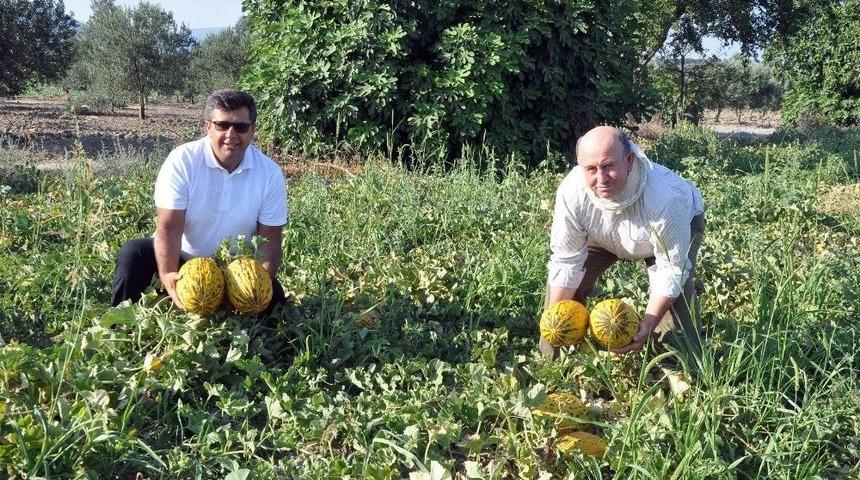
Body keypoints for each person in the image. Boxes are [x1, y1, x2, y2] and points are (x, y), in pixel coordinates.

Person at [111, 90, 288, 314]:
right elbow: (169, 228)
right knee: (133, 253)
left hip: (235, 270)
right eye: (222, 125)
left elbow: (270, 241)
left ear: (253, 130)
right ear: (207, 127)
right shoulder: (182, 161)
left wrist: (256, 285)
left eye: (241, 127)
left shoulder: (270, 173)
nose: (231, 134)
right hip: (183, 261)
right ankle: (119, 327)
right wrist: (167, 275)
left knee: (274, 304)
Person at [542, 126, 706, 361]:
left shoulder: (665, 198)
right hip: (603, 233)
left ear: (629, 160)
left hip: (664, 234)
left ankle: (684, 371)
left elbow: (671, 269)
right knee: (562, 298)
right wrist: (557, 322)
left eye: (609, 166)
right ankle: (552, 365)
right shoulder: (572, 191)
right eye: (591, 169)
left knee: (677, 315)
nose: (601, 179)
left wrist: (649, 321)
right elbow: (566, 260)